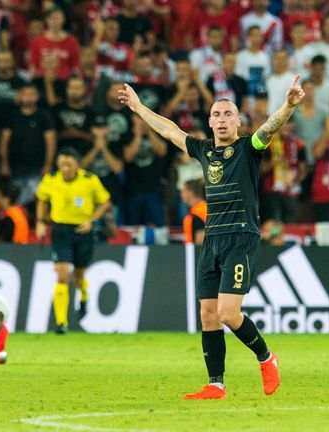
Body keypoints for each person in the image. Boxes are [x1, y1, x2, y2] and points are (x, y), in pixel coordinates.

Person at [117, 72, 305, 400]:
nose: (221, 120)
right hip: (211, 238)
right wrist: (138, 107)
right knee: (207, 314)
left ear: (238, 121)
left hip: (240, 236)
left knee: (228, 313)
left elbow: (270, 127)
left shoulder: (249, 149)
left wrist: (288, 105)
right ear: (209, 122)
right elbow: (169, 129)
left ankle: (266, 357)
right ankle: (216, 384)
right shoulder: (203, 151)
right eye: (216, 115)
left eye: (228, 114)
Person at [35, 147, 112, 334]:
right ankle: (61, 323)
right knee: (62, 273)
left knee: (78, 277)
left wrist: (92, 221)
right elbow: (42, 200)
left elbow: (105, 202)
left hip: (82, 231)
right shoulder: (50, 179)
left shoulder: (90, 180)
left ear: (77, 164)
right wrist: (40, 222)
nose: (65, 168)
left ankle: (83, 295)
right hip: (61, 230)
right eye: (62, 164)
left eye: (69, 164)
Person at [182, 179, 207, 246]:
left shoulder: (198, 214)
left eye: (183, 191)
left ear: (190, 192)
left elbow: (200, 242)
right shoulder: (205, 208)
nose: (181, 195)